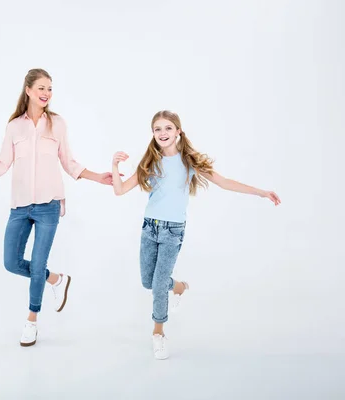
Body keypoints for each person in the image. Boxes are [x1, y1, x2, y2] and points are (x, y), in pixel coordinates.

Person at [0, 68, 113, 347]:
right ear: (28, 90)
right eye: (41, 87)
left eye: (50, 88)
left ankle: (31, 321)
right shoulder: (14, 126)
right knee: (10, 262)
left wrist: (98, 176)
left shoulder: (58, 124)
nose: (46, 93)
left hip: (49, 204)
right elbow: (1, 163)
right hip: (20, 206)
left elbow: (69, 162)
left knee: (37, 265)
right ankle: (56, 279)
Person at [111, 110, 280, 360]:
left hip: (173, 231)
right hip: (149, 228)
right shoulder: (150, 161)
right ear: (153, 134)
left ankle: (158, 333)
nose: (163, 133)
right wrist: (114, 166)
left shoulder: (189, 161)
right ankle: (179, 287)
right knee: (149, 282)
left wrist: (261, 192)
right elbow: (120, 190)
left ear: (178, 131)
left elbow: (224, 182)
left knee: (158, 285)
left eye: (168, 128)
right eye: (157, 129)